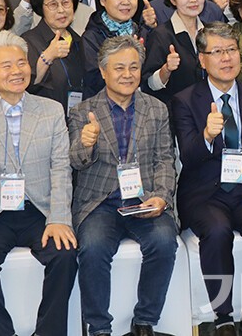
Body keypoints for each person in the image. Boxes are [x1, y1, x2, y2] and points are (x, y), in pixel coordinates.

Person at [0, 31, 77, 336]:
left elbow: (61, 168)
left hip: (39, 209)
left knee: (65, 255)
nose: (17, 71)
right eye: (6, 66)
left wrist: (59, 218)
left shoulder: (51, 110)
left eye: (21, 63)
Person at [170, 23, 242, 336]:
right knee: (218, 232)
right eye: (217, 51)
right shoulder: (185, 100)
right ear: (202, 59)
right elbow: (188, 157)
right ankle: (223, 316)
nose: (226, 58)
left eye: (232, 50)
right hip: (205, 193)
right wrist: (207, 135)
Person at [69, 36, 178, 336]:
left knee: (164, 241)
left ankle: (144, 321)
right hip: (100, 203)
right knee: (92, 248)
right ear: (103, 72)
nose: (127, 74)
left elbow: (165, 159)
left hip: (144, 200)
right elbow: (76, 162)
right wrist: (86, 143)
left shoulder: (156, 109)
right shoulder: (82, 112)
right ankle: (98, 327)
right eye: (119, 68)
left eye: (133, 67)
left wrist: (162, 198)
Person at [81, 0, 156, 98]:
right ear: (102, 0)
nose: (126, 2)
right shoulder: (92, 37)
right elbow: (94, 80)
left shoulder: (142, 32)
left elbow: (150, 76)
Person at [21, 0, 84, 113]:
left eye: (66, 2)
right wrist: (47, 57)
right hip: (45, 118)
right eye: (53, 4)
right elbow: (26, 86)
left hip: (79, 118)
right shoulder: (28, 41)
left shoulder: (80, 40)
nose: (61, 10)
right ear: (40, 8)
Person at [144, 0, 208, 102]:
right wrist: (166, 69)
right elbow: (148, 85)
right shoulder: (161, 35)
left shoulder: (210, 32)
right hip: (175, 109)